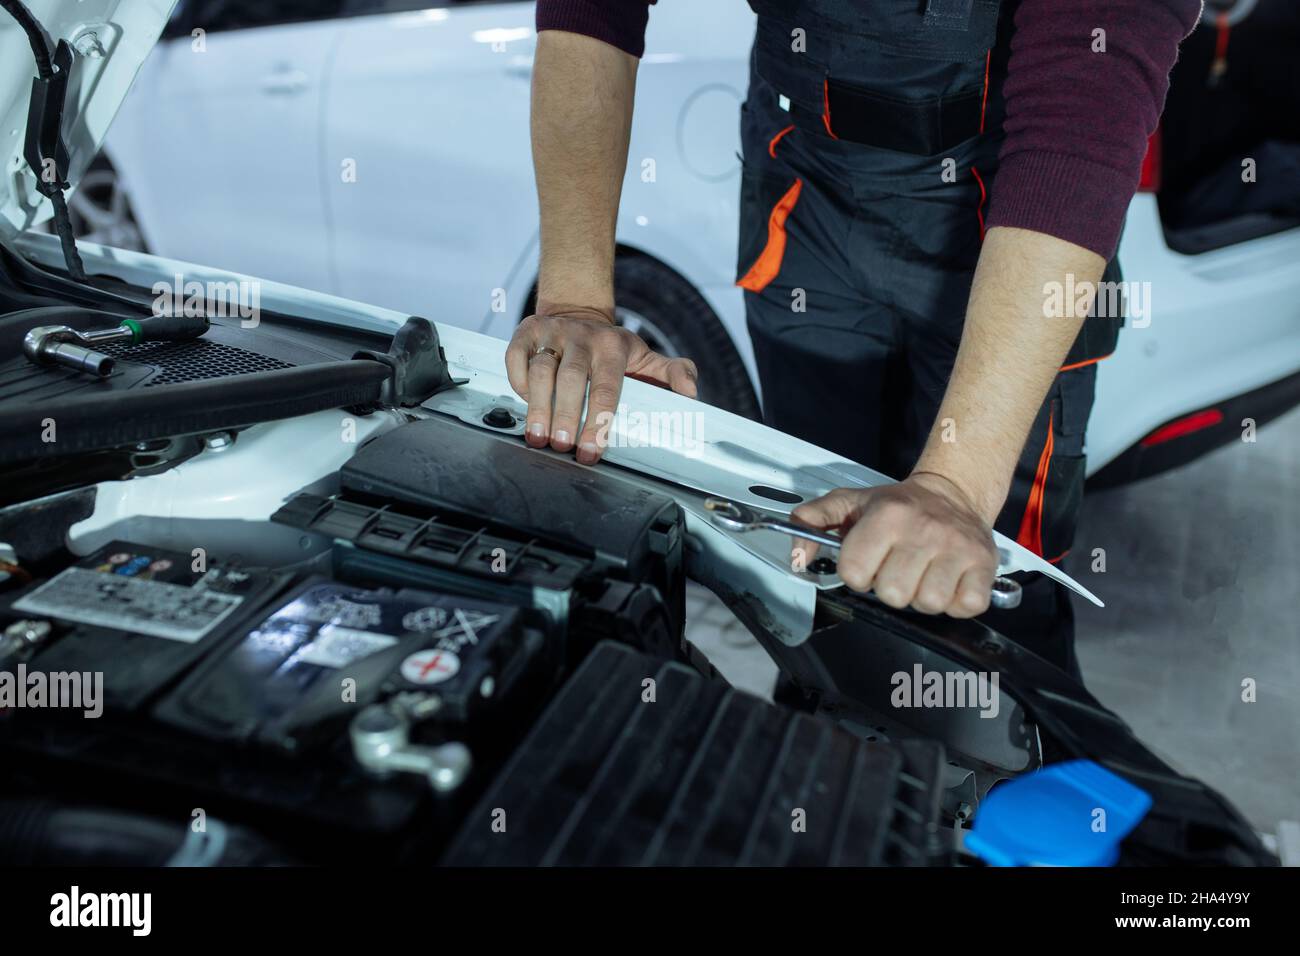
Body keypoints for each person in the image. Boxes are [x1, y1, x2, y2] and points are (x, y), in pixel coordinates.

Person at [507, 0, 1200, 672]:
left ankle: (1003, 768)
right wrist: (576, 300)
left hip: (1014, 232)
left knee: (987, 617)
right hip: (806, 202)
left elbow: (1084, 104)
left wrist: (956, 487)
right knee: (813, 561)